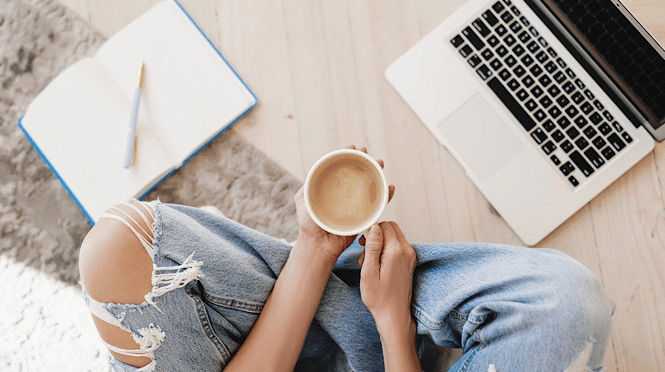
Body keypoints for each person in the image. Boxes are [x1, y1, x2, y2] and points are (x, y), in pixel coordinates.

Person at [79, 146, 614, 372]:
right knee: (566, 305)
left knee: (117, 251)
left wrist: (315, 247)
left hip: (278, 343)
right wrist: (393, 328)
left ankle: (317, 285)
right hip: (385, 344)